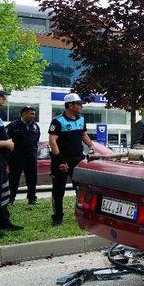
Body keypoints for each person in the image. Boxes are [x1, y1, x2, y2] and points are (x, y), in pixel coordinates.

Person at [49, 93, 95, 226]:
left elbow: (83, 135)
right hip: (62, 160)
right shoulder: (58, 121)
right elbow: (52, 141)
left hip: (78, 160)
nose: (81, 106)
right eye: (79, 104)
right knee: (58, 190)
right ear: (70, 105)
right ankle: (57, 217)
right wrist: (60, 160)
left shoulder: (81, 119)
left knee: (80, 189)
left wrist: (91, 145)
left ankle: (80, 213)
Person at [0, 82, 22, 238]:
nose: (4, 98)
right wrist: (6, 143)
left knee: (2, 193)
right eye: (1, 95)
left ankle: (3, 221)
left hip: (0, 160)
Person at [7, 106, 40, 205]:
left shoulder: (35, 126)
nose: (34, 116)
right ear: (24, 113)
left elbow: (36, 140)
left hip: (30, 157)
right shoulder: (13, 125)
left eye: (34, 114)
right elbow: (7, 140)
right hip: (16, 157)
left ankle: (32, 198)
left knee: (32, 178)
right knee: (14, 178)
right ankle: (11, 198)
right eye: (31, 114)